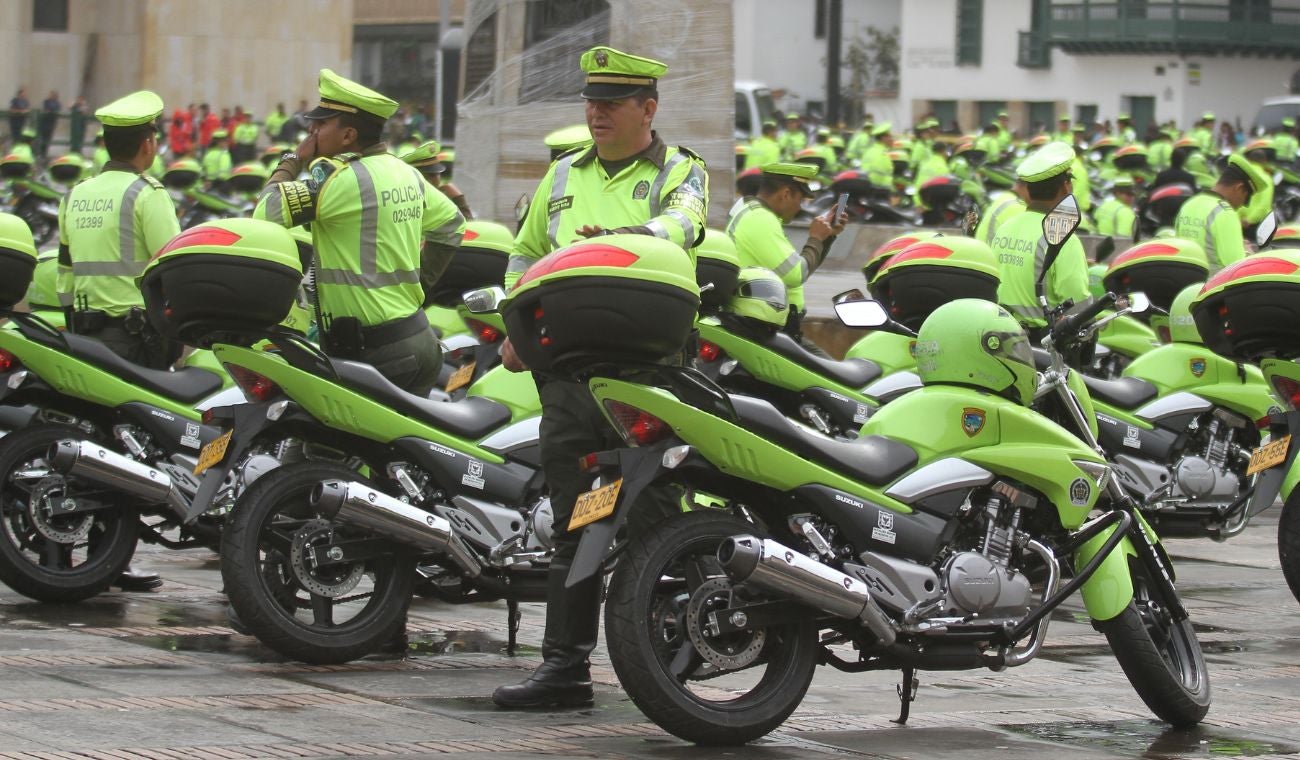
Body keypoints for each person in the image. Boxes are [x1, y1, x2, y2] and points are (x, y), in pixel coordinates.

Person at [493, 45, 708, 710]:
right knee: (575, 521)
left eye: (610, 103)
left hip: (646, 373)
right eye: (591, 102)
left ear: (647, 108)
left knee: (654, 515)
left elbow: (685, 225)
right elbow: (522, 253)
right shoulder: (561, 177)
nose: (596, 113)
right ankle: (564, 669)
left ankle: (683, 650)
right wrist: (516, 324)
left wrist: (619, 238)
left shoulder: (680, 170)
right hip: (568, 377)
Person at [254, 68, 464, 396]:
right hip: (417, 338)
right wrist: (422, 285)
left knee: (322, 443)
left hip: (374, 354)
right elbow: (452, 225)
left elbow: (265, 212)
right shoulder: (403, 172)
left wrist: (294, 158)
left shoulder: (342, 183)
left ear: (348, 135)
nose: (311, 131)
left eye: (321, 124)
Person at [55, 91, 181, 592]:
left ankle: (65, 552)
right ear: (148, 143)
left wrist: (73, 323)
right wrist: (179, 334)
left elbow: (64, 273)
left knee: (85, 442)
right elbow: (171, 267)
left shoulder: (77, 194)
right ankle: (113, 558)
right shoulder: (146, 195)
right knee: (127, 450)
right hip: (133, 341)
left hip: (82, 334)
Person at [726, 163, 846, 353]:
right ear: (786, 194)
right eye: (800, 199)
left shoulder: (750, 211)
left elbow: (802, 267)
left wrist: (827, 237)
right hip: (770, 329)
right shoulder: (761, 220)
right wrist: (816, 238)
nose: (800, 207)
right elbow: (796, 273)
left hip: (772, 326)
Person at [988, 142, 1090, 337]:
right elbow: (1078, 306)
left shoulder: (1005, 228)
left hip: (1002, 338)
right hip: (1045, 346)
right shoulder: (1064, 235)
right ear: (1066, 186)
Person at [1174, 154, 1269, 273]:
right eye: (1245, 198)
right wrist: (1247, 251)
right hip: (1211, 287)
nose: (1242, 205)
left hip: (1186, 280)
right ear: (1239, 188)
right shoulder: (1225, 212)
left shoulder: (1189, 204)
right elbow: (1236, 267)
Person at [400, 140, 472, 219]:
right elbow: (465, 227)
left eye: (438, 173)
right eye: (430, 175)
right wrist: (459, 200)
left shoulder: (437, 200)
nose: (436, 179)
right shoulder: (415, 206)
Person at [974, 180, 1027, 246]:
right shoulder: (1018, 207)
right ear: (1025, 187)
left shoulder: (1005, 197)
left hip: (983, 250)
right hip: (989, 254)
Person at [37, 91, 60, 160]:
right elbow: (47, 109)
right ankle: (40, 153)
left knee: (48, 138)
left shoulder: (57, 103)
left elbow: (56, 109)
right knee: (43, 138)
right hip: (44, 123)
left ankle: (44, 153)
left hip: (52, 123)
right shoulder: (46, 102)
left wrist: (52, 111)